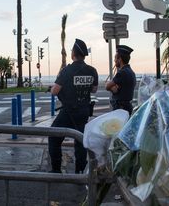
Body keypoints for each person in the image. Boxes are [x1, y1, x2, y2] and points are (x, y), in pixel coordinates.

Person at [48, 38, 98, 174]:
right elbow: (94, 89)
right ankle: (80, 171)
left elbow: (55, 91)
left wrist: (52, 88)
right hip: (83, 111)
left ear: (74, 53)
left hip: (68, 112)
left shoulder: (67, 70)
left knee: (53, 137)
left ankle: (56, 170)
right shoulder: (92, 70)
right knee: (80, 142)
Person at [105, 45, 136, 115]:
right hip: (127, 107)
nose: (114, 60)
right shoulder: (131, 72)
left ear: (120, 59)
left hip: (120, 108)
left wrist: (112, 87)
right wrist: (114, 88)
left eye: (115, 58)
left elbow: (107, 86)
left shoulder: (122, 73)